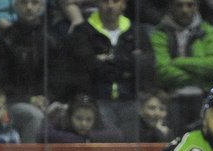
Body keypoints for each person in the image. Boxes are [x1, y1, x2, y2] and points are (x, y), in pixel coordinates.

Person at [62, 0, 151, 140]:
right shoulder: (83, 31)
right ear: (97, 3)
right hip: (96, 101)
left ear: (124, 4)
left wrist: (107, 61)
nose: (110, 6)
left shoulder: (137, 32)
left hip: (131, 99)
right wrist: (126, 62)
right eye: (105, 1)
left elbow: (145, 66)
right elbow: (85, 67)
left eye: (115, 1)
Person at [0, 0, 65, 144]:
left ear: (41, 6)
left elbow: (60, 77)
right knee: (34, 115)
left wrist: (47, 98)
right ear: (15, 6)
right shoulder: (4, 40)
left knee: (70, 113)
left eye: (34, 3)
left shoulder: (53, 39)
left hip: (48, 101)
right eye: (23, 3)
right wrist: (28, 99)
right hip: (13, 102)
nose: (29, 7)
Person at [150, 0, 213, 132]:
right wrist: (198, 76)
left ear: (197, 7)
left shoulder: (209, 32)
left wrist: (178, 61)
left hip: (204, 95)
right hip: (171, 95)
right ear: (170, 6)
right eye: (179, 5)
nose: (184, 10)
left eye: (190, 5)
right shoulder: (159, 33)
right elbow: (162, 71)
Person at [44, 93, 125, 141]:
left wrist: (89, 136)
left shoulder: (100, 120)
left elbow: (117, 134)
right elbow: (43, 134)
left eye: (89, 119)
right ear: (70, 116)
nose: (83, 124)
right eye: (78, 118)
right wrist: (79, 140)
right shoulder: (61, 118)